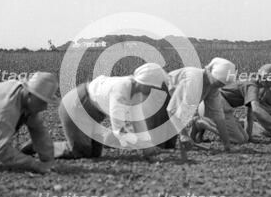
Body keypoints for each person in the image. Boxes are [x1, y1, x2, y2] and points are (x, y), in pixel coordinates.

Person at [31, 63, 168, 160]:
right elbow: (119, 128)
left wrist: (147, 143)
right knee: (80, 152)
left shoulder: (137, 93)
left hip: (91, 114)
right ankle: (39, 145)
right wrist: (142, 145)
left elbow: (138, 120)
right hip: (76, 105)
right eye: (150, 87)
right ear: (142, 82)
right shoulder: (121, 89)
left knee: (95, 153)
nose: (150, 91)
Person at [191, 64, 271, 143]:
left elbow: (250, 113)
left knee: (244, 138)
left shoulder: (253, 85)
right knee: (238, 140)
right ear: (263, 79)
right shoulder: (252, 86)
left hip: (214, 105)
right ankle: (200, 123)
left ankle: (200, 133)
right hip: (216, 105)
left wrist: (249, 137)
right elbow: (256, 110)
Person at [166, 58, 236, 152]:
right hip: (159, 101)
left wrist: (227, 144)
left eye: (222, 85)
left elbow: (218, 116)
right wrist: (183, 135)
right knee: (162, 145)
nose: (220, 87)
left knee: (169, 144)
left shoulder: (212, 87)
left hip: (173, 109)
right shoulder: (194, 80)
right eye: (218, 83)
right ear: (210, 72)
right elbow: (172, 110)